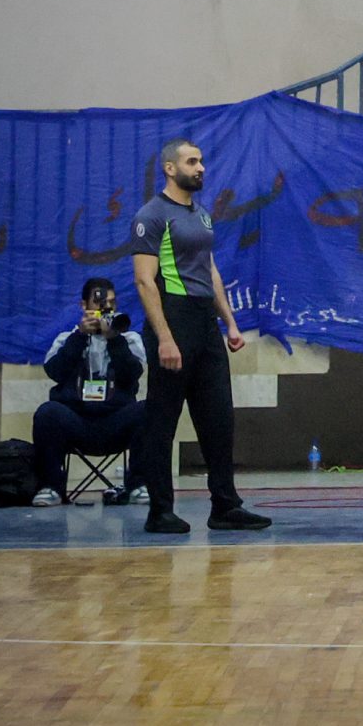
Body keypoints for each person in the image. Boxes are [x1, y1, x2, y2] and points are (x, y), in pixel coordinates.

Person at [128, 138, 268, 536]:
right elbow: (144, 281)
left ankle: (225, 505)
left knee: (219, 417)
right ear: (170, 168)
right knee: (163, 419)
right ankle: (160, 511)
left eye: (201, 161)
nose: (201, 167)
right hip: (173, 318)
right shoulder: (152, 215)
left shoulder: (202, 215)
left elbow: (211, 271)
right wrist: (165, 338)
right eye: (192, 161)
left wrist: (230, 323)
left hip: (205, 323)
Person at [30, 278, 148, 506]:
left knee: (148, 409)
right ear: (83, 306)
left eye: (111, 304)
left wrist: (114, 339)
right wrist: (80, 337)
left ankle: (138, 485)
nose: (106, 309)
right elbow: (55, 372)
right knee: (48, 412)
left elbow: (131, 374)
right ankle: (51, 487)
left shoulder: (129, 340)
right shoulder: (66, 339)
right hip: (77, 422)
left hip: (115, 422)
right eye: (100, 304)